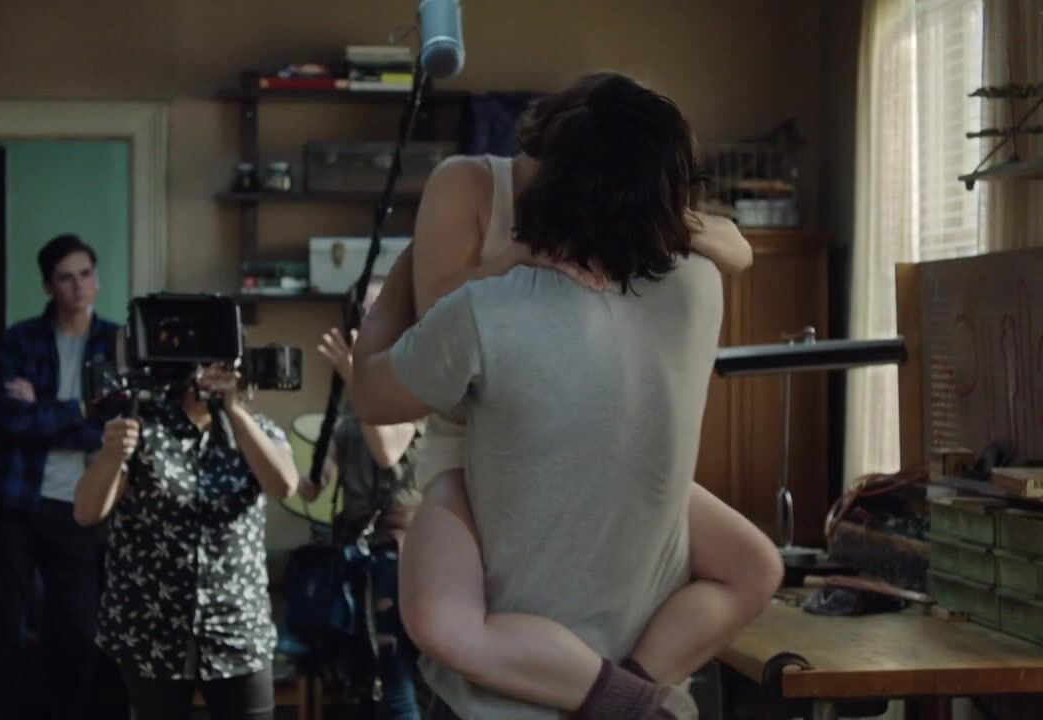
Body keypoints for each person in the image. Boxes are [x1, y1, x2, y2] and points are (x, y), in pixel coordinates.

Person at [352, 72, 783, 719]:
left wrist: (400, 275)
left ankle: (621, 698)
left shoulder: (487, 308)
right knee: (754, 568)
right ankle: (637, 694)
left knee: (444, 622)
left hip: (523, 464)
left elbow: (376, 392)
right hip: (541, 460)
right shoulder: (698, 287)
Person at [74, 362, 299, 720]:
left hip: (236, 625)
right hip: (152, 627)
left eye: (219, 362)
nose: (208, 373)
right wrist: (113, 455)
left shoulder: (257, 428)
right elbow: (87, 512)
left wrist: (234, 410)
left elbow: (284, 485)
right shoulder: (142, 426)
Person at [0, 234, 119, 719]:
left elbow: (114, 427)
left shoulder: (116, 343)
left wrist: (46, 410)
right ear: (48, 286)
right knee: (6, 626)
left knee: (78, 631)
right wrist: (79, 408)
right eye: (65, 277)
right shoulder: (21, 339)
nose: (77, 286)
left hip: (77, 504)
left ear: (97, 281)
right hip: (14, 499)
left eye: (85, 274)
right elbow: (14, 421)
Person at [299, 278, 424, 719]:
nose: (365, 322)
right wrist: (317, 476)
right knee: (363, 677)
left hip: (396, 549)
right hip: (354, 547)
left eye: (376, 310)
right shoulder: (353, 387)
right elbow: (333, 458)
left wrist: (353, 374)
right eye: (361, 312)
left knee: (396, 677)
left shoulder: (412, 376)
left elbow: (388, 451)